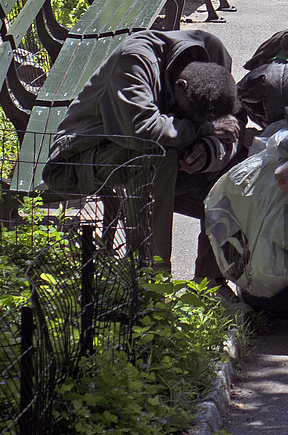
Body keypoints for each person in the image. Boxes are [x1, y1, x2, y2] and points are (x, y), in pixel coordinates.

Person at [42, 29, 245, 288]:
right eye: (190, 117)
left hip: (164, 154)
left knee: (243, 165)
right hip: (84, 154)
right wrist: (201, 130)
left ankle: (211, 282)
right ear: (179, 86)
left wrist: (207, 151)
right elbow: (142, 132)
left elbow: (233, 123)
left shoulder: (212, 52)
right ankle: (153, 280)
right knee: (159, 152)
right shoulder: (135, 60)